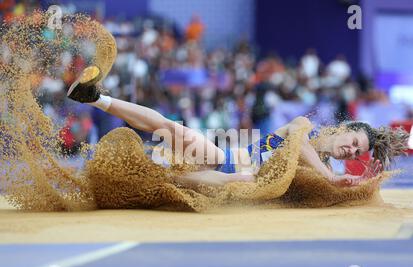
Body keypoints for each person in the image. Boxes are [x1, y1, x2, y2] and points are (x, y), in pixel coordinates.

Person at [67, 66, 410, 187]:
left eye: (357, 153)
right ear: (344, 127)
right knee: (173, 130)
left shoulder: (328, 172)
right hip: (225, 160)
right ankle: (95, 97)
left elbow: (329, 192)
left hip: (227, 183)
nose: (351, 151)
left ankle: (121, 175)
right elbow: (298, 146)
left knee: (156, 169)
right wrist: (333, 177)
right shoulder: (306, 128)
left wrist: (363, 186)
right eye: (353, 142)